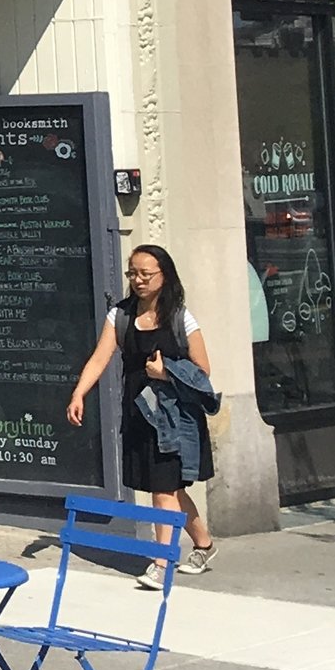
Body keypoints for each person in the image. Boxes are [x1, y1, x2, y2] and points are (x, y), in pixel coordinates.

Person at [68, 243, 217, 581]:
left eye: (145, 274)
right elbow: (100, 358)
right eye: (132, 273)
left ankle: (161, 563)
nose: (138, 280)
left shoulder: (180, 317)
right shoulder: (120, 316)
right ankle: (204, 545)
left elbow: (203, 370)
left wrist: (167, 373)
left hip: (174, 417)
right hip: (139, 412)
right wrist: (79, 393)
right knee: (170, 489)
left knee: (163, 490)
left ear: (165, 276)